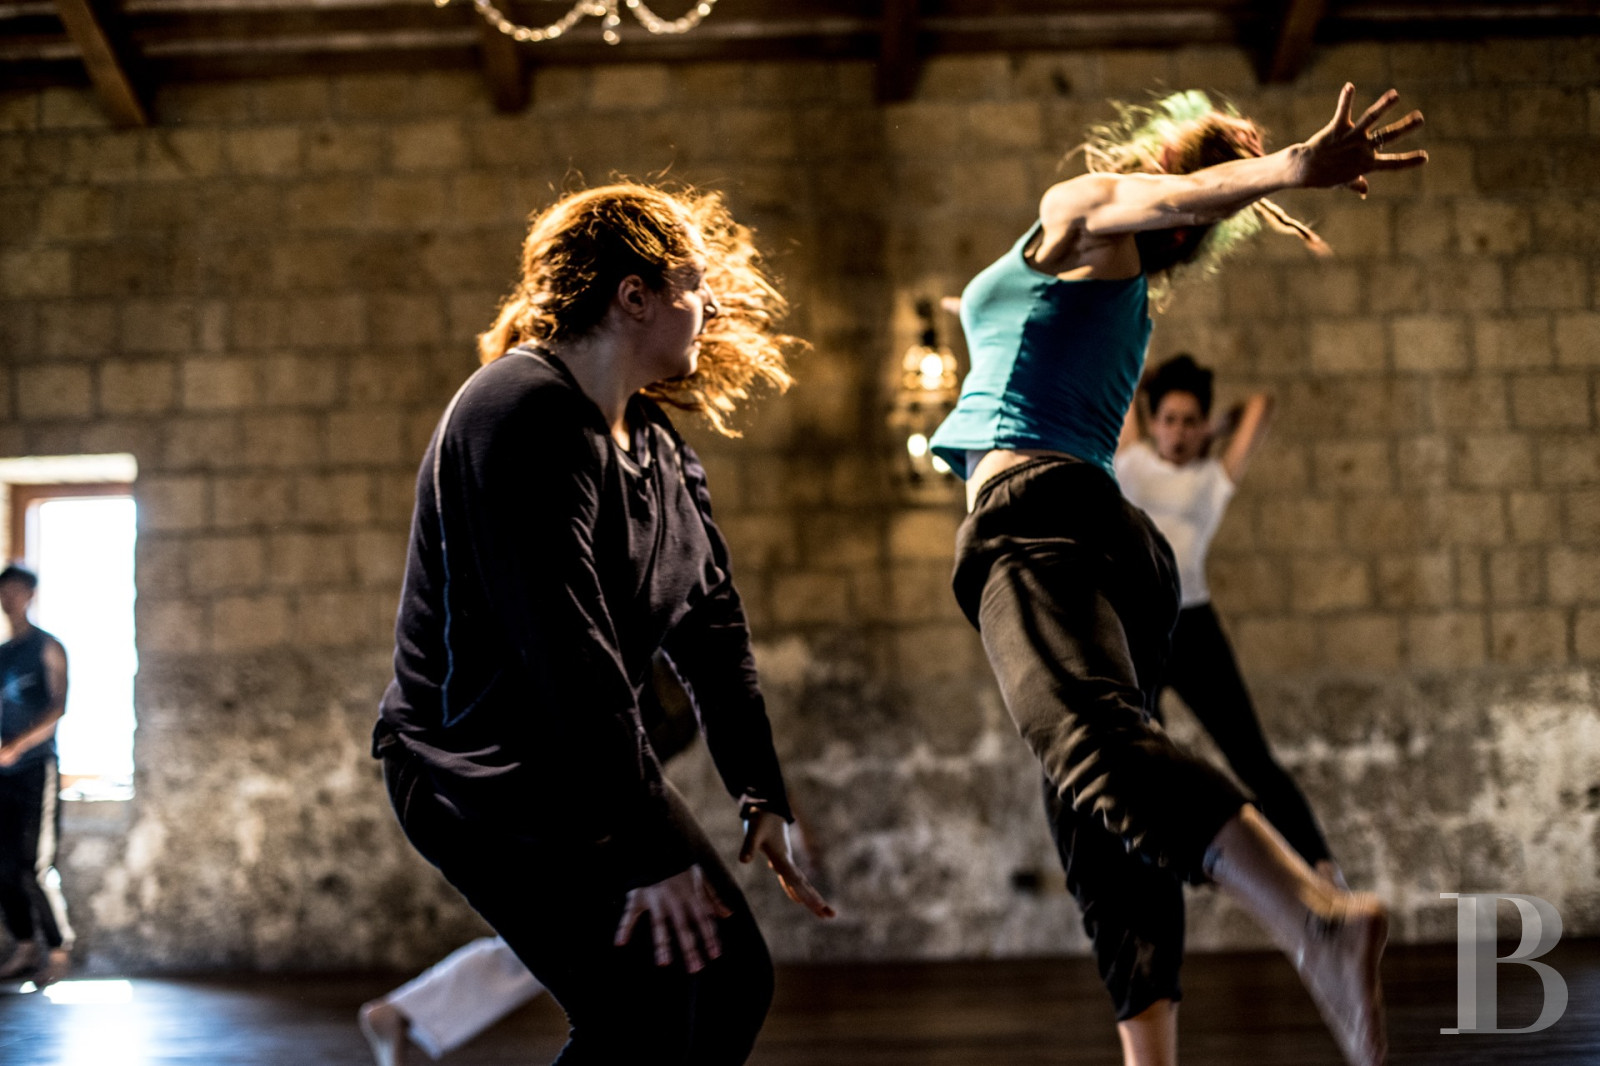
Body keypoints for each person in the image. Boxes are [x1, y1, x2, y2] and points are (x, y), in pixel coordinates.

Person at [928, 85, 1425, 1066]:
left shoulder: (1084, 208)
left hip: (1039, 519)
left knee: (1089, 745)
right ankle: (1149, 1056)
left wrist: (1289, 169)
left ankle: (1312, 915)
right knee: (1098, 804)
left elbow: (1159, 202)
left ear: (1160, 161)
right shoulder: (1115, 301)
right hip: (1118, 545)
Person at [373, 181, 834, 1066]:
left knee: (730, 981)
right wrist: (641, 850)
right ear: (635, 295)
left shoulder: (656, 446)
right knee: (642, 1008)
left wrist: (760, 790)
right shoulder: (516, 410)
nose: (711, 307)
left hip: (569, 759)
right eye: (694, 285)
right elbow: (563, 649)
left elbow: (713, 628)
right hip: (480, 769)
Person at [1116, 354, 1344, 887]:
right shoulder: (1129, 461)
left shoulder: (1212, 478)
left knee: (1252, 757)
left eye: (1189, 422)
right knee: (1144, 762)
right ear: (1153, 423)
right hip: (1137, 631)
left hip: (1193, 628)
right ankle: (1156, 878)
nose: (1178, 432)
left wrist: (1218, 428)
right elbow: (1123, 376)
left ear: (1203, 426)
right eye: (1169, 420)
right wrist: (1150, 385)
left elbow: (1260, 407)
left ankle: (1323, 872)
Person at [0, 563, 74, 985]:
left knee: (35, 865)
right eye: (4, 591)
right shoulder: (3, 654)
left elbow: (57, 707)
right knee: (3, 866)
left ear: (30, 595)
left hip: (35, 770)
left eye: (17, 591)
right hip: (3, 774)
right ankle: (25, 947)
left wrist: (18, 746)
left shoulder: (48, 647)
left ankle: (58, 949)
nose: (10, 598)